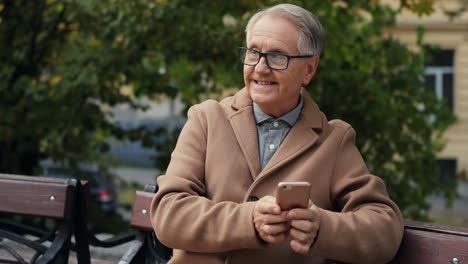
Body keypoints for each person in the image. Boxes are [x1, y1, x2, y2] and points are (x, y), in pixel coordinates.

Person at [150, 3, 404, 264]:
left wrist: (322, 227)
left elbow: (383, 230)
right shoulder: (207, 119)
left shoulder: (333, 140)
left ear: (309, 69)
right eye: (253, 53)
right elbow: (169, 214)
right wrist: (248, 220)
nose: (260, 68)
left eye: (277, 57)